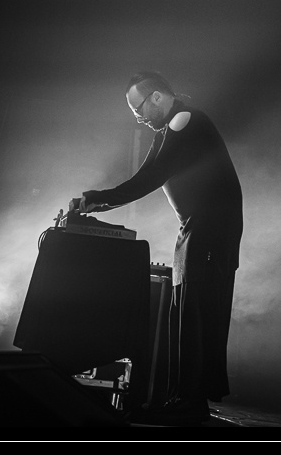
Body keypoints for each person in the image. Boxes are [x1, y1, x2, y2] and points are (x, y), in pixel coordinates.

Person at [71, 71, 243, 425]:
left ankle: (191, 402)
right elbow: (142, 178)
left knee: (196, 314)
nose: (138, 117)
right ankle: (181, 398)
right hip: (194, 228)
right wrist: (97, 201)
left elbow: (150, 179)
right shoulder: (167, 131)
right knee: (182, 313)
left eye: (139, 108)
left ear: (158, 97)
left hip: (212, 228)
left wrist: (98, 199)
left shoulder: (186, 121)